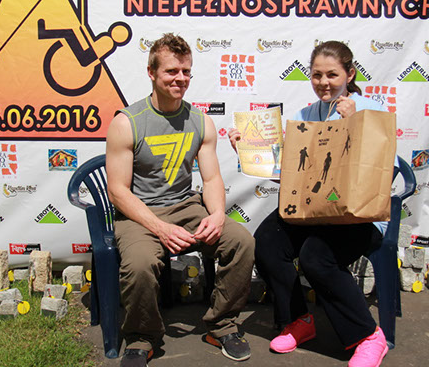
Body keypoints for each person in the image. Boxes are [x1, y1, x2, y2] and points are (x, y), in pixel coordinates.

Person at [229, 41, 390, 367]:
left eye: (332, 74)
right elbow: (290, 177)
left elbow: (380, 166)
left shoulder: (371, 109)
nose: (324, 82)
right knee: (267, 242)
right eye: (317, 75)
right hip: (313, 210)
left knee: (316, 257)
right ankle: (298, 320)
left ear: (350, 74)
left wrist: (354, 123)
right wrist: (248, 152)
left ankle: (369, 336)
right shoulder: (304, 116)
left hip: (359, 216)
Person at [107, 33, 255, 367]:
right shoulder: (126, 123)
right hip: (140, 213)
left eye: (186, 71)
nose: (180, 78)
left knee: (241, 242)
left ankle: (222, 325)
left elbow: (212, 179)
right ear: (151, 73)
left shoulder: (200, 121)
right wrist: (160, 228)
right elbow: (118, 191)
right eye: (171, 71)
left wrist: (217, 215)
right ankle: (141, 338)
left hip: (186, 207)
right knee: (140, 265)